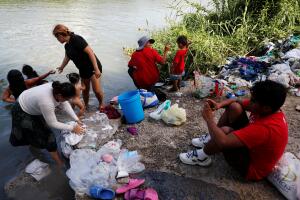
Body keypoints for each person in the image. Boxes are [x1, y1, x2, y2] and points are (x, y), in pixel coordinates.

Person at [179, 80, 288, 181]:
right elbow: (236, 100)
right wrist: (218, 105)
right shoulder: (270, 110)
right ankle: (211, 138)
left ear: (266, 108)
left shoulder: (266, 128)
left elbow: (223, 142)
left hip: (251, 168)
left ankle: (202, 157)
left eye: (253, 101)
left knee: (225, 132)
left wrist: (209, 119)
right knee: (235, 107)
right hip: (253, 148)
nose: (250, 102)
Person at [10, 81, 85, 167]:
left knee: (39, 129)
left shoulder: (57, 87)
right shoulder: (46, 102)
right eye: (67, 98)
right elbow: (52, 123)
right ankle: (60, 164)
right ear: (60, 95)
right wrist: (72, 128)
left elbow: (64, 104)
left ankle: (34, 146)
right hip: (21, 110)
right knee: (49, 137)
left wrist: (76, 119)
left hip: (29, 102)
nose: (68, 101)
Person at [53, 24, 104, 110]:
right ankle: (86, 106)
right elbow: (67, 57)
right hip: (83, 69)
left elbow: (90, 52)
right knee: (85, 90)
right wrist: (62, 67)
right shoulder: (67, 45)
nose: (57, 40)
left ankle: (101, 104)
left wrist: (96, 68)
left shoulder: (76, 39)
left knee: (97, 90)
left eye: (57, 37)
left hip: (92, 67)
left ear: (61, 35)